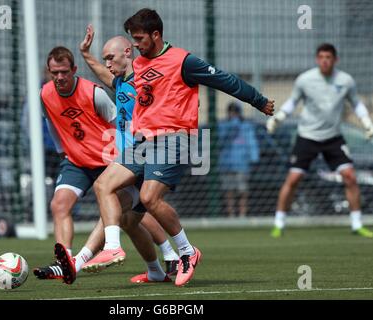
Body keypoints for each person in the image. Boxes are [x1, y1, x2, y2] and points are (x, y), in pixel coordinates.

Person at [91, 8, 275, 287]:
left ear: (156, 34)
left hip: (174, 138)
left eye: (140, 38)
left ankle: (187, 252)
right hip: (144, 141)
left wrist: (257, 100)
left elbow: (224, 79)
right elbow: (123, 87)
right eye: (133, 39)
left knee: (149, 197)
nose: (136, 44)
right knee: (103, 184)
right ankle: (113, 248)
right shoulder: (139, 64)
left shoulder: (183, 61)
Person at [33, 46, 171, 285]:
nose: (59, 77)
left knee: (129, 215)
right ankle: (64, 261)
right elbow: (52, 124)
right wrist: (63, 151)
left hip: (108, 159)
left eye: (64, 72)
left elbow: (121, 123)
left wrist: (127, 157)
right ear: (48, 72)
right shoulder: (44, 94)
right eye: (54, 72)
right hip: (76, 161)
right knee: (59, 204)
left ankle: (170, 252)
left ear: (74, 70)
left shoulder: (93, 92)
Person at [71, 25, 180, 280]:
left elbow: (171, 94)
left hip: (143, 156)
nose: (107, 63)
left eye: (111, 57)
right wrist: (86, 54)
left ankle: (85, 258)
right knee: (130, 222)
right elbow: (102, 74)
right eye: (105, 58)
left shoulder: (144, 82)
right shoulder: (121, 83)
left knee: (106, 193)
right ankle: (161, 266)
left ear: (128, 52)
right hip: (132, 159)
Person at [267, 43, 373, 238]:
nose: (325, 61)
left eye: (328, 57)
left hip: (333, 137)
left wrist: (367, 122)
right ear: (317, 59)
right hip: (307, 136)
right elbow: (293, 101)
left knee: (350, 176)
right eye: (321, 57)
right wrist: (279, 117)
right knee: (294, 178)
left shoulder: (346, 80)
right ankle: (278, 224)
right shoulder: (305, 80)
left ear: (335, 60)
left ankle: (357, 224)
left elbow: (356, 103)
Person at [218, 102, 259, 217]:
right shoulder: (223, 126)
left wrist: (254, 157)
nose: (233, 114)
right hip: (226, 164)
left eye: (235, 111)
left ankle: (242, 214)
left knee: (243, 191)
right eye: (231, 111)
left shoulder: (246, 126)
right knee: (229, 191)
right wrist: (231, 126)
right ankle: (231, 215)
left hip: (242, 164)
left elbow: (252, 142)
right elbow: (220, 140)